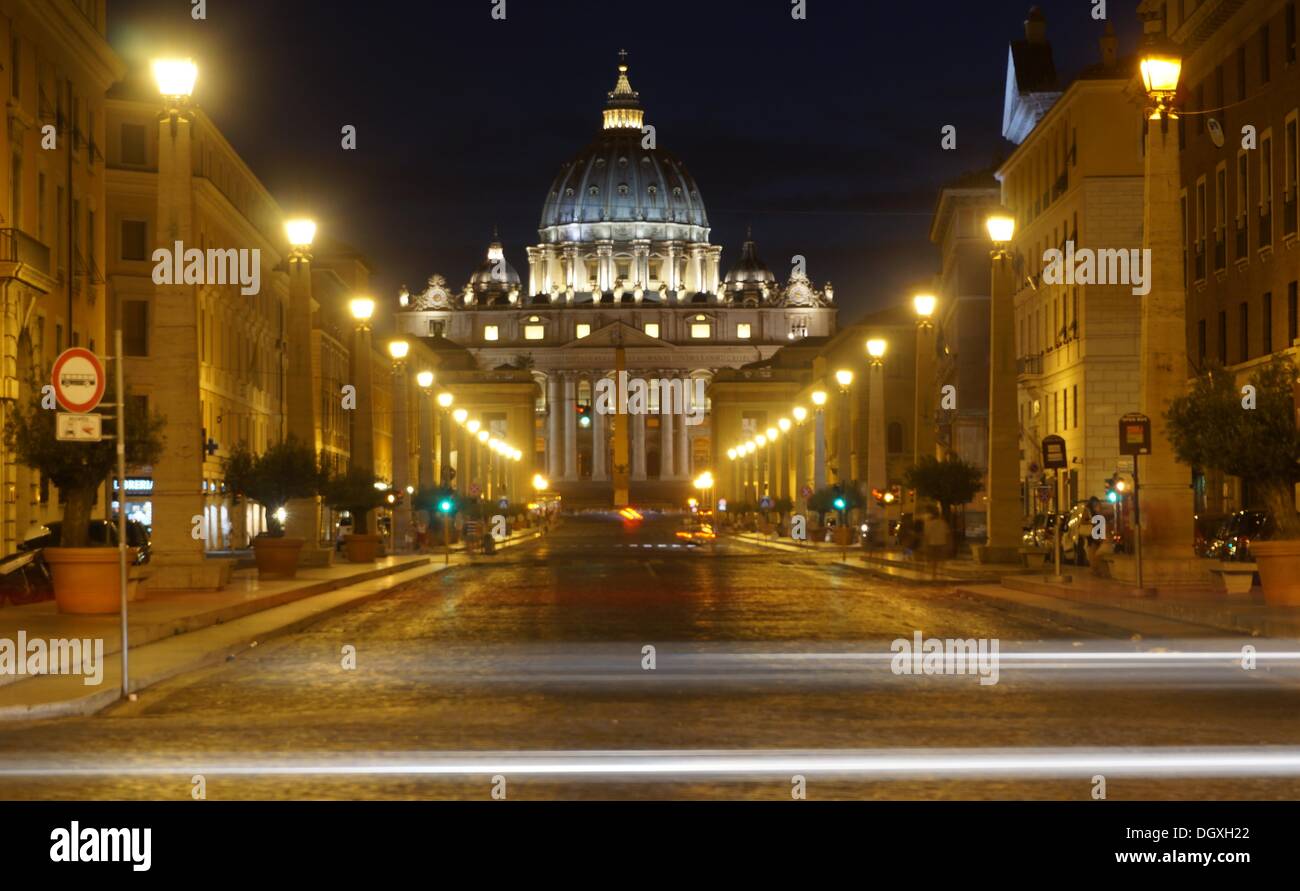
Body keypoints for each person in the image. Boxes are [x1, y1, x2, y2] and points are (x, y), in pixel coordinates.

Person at [922, 506, 951, 579]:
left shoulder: (928, 524)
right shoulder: (943, 523)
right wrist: (949, 543)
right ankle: (941, 574)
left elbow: (926, 535)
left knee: (934, 560)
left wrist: (925, 544)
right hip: (942, 543)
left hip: (932, 544)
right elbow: (947, 534)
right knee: (941, 560)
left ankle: (934, 575)